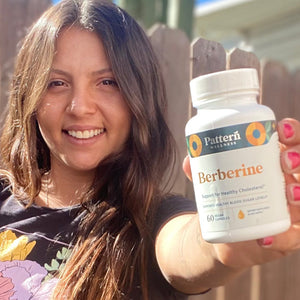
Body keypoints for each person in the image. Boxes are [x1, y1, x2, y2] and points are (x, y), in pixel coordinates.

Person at [1, 0, 300, 299]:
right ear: (31, 97)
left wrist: (225, 240)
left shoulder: (154, 221)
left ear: (138, 97)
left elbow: (186, 248)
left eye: (108, 82)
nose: (80, 107)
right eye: (56, 83)